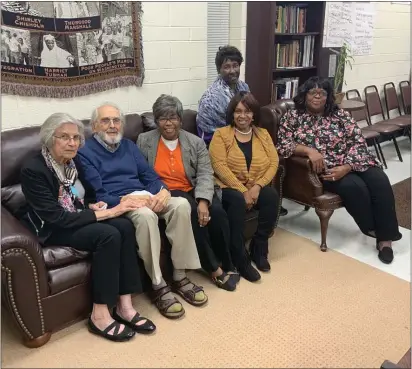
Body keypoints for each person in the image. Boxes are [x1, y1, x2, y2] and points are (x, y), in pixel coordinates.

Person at [19, 113, 156, 343]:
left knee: (124, 226)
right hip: (53, 226)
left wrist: (94, 204)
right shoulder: (34, 169)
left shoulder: (74, 162)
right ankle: (100, 314)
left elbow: (87, 193)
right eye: (64, 137)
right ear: (49, 138)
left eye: (75, 137)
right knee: (108, 234)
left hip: (77, 214)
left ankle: (125, 305)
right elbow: (55, 217)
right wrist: (108, 212)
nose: (72, 143)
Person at [76, 103, 208, 320]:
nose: (112, 126)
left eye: (116, 120)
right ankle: (158, 283)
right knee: (146, 216)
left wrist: (163, 192)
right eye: (105, 121)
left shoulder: (129, 145)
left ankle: (180, 275)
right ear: (94, 126)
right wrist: (128, 201)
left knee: (181, 205)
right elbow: (97, 194)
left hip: (146, 196)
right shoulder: (85, 153)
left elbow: (149, 176)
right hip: (120, 202)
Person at [276, 76, 402, 264]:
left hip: (353, 161)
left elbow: (358, 141)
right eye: (313, 92)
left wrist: (348, 166)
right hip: (326, 168)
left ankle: (386, 239)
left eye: (322, 93)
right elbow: (283, 144)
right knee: (355, 188)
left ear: (328, 97)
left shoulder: (340, 115)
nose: (317, 97)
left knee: (380, 181)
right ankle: (372, 229)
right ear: (304, 95)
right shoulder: (293, 116)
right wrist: (309, 150)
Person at [137, 94, 239, 292]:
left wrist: (203, 201)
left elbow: (205, 173)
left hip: (192, 188)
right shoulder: (144, 140)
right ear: (156, 121)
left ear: (181, 119)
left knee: (216, 211)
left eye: (173, 117)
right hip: (166, 192)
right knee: (192, 213)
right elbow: (140, 173)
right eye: (163, 118)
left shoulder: (195, 142)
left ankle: (228, 262)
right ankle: (213, 268)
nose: (168, 123)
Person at [196, 44, 288, 217]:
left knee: (264, 157)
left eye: (235, 65)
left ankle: (264, 198)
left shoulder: (243, 87)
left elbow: (248, 118)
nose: (232, 70)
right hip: (216, 143)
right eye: (226, 66)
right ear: (219, 69)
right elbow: (220, 133)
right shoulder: (212, 97)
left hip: (241, 135)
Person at [209, 91, 280, 281]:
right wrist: (243, 191)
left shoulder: (263, 134)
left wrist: (257, 187)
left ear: (253, 114)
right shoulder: (221, 135)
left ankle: (259, 246)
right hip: (227, 187)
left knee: (271, 196)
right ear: (232, 114)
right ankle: (240, 257)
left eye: (247, 111)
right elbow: (218, 166)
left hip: (254, 186)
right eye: (238, 111)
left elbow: (274, 163)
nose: (243, 116)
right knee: (237, 200)